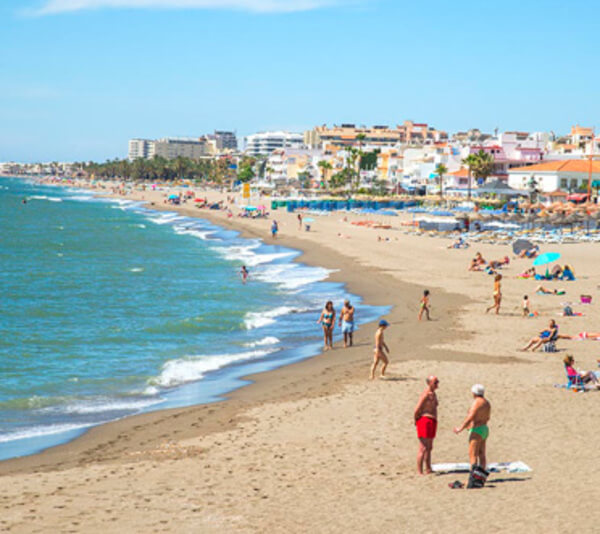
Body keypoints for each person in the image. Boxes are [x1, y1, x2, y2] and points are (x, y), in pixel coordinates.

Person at [453, 384, 491, 479]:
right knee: (482, 454)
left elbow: (470, 417)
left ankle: (473, 477)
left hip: (476, 429)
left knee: (473, 454)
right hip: (484, 428)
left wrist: (460, 428)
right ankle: (481, 476)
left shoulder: (477, 402)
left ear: (474, 393)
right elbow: (488, 417)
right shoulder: (487, 403)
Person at [414, 375, 439, 475]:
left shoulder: (433, 394)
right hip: (425, 420)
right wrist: (416, 419)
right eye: (435, 382)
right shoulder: (425, 394)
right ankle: (420, 471)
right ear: (429, 383)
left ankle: (428, 468)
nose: (437, 384)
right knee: (423, 447)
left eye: (437, 382)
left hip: (432, 420)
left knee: (429, 447)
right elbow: (417, 409)